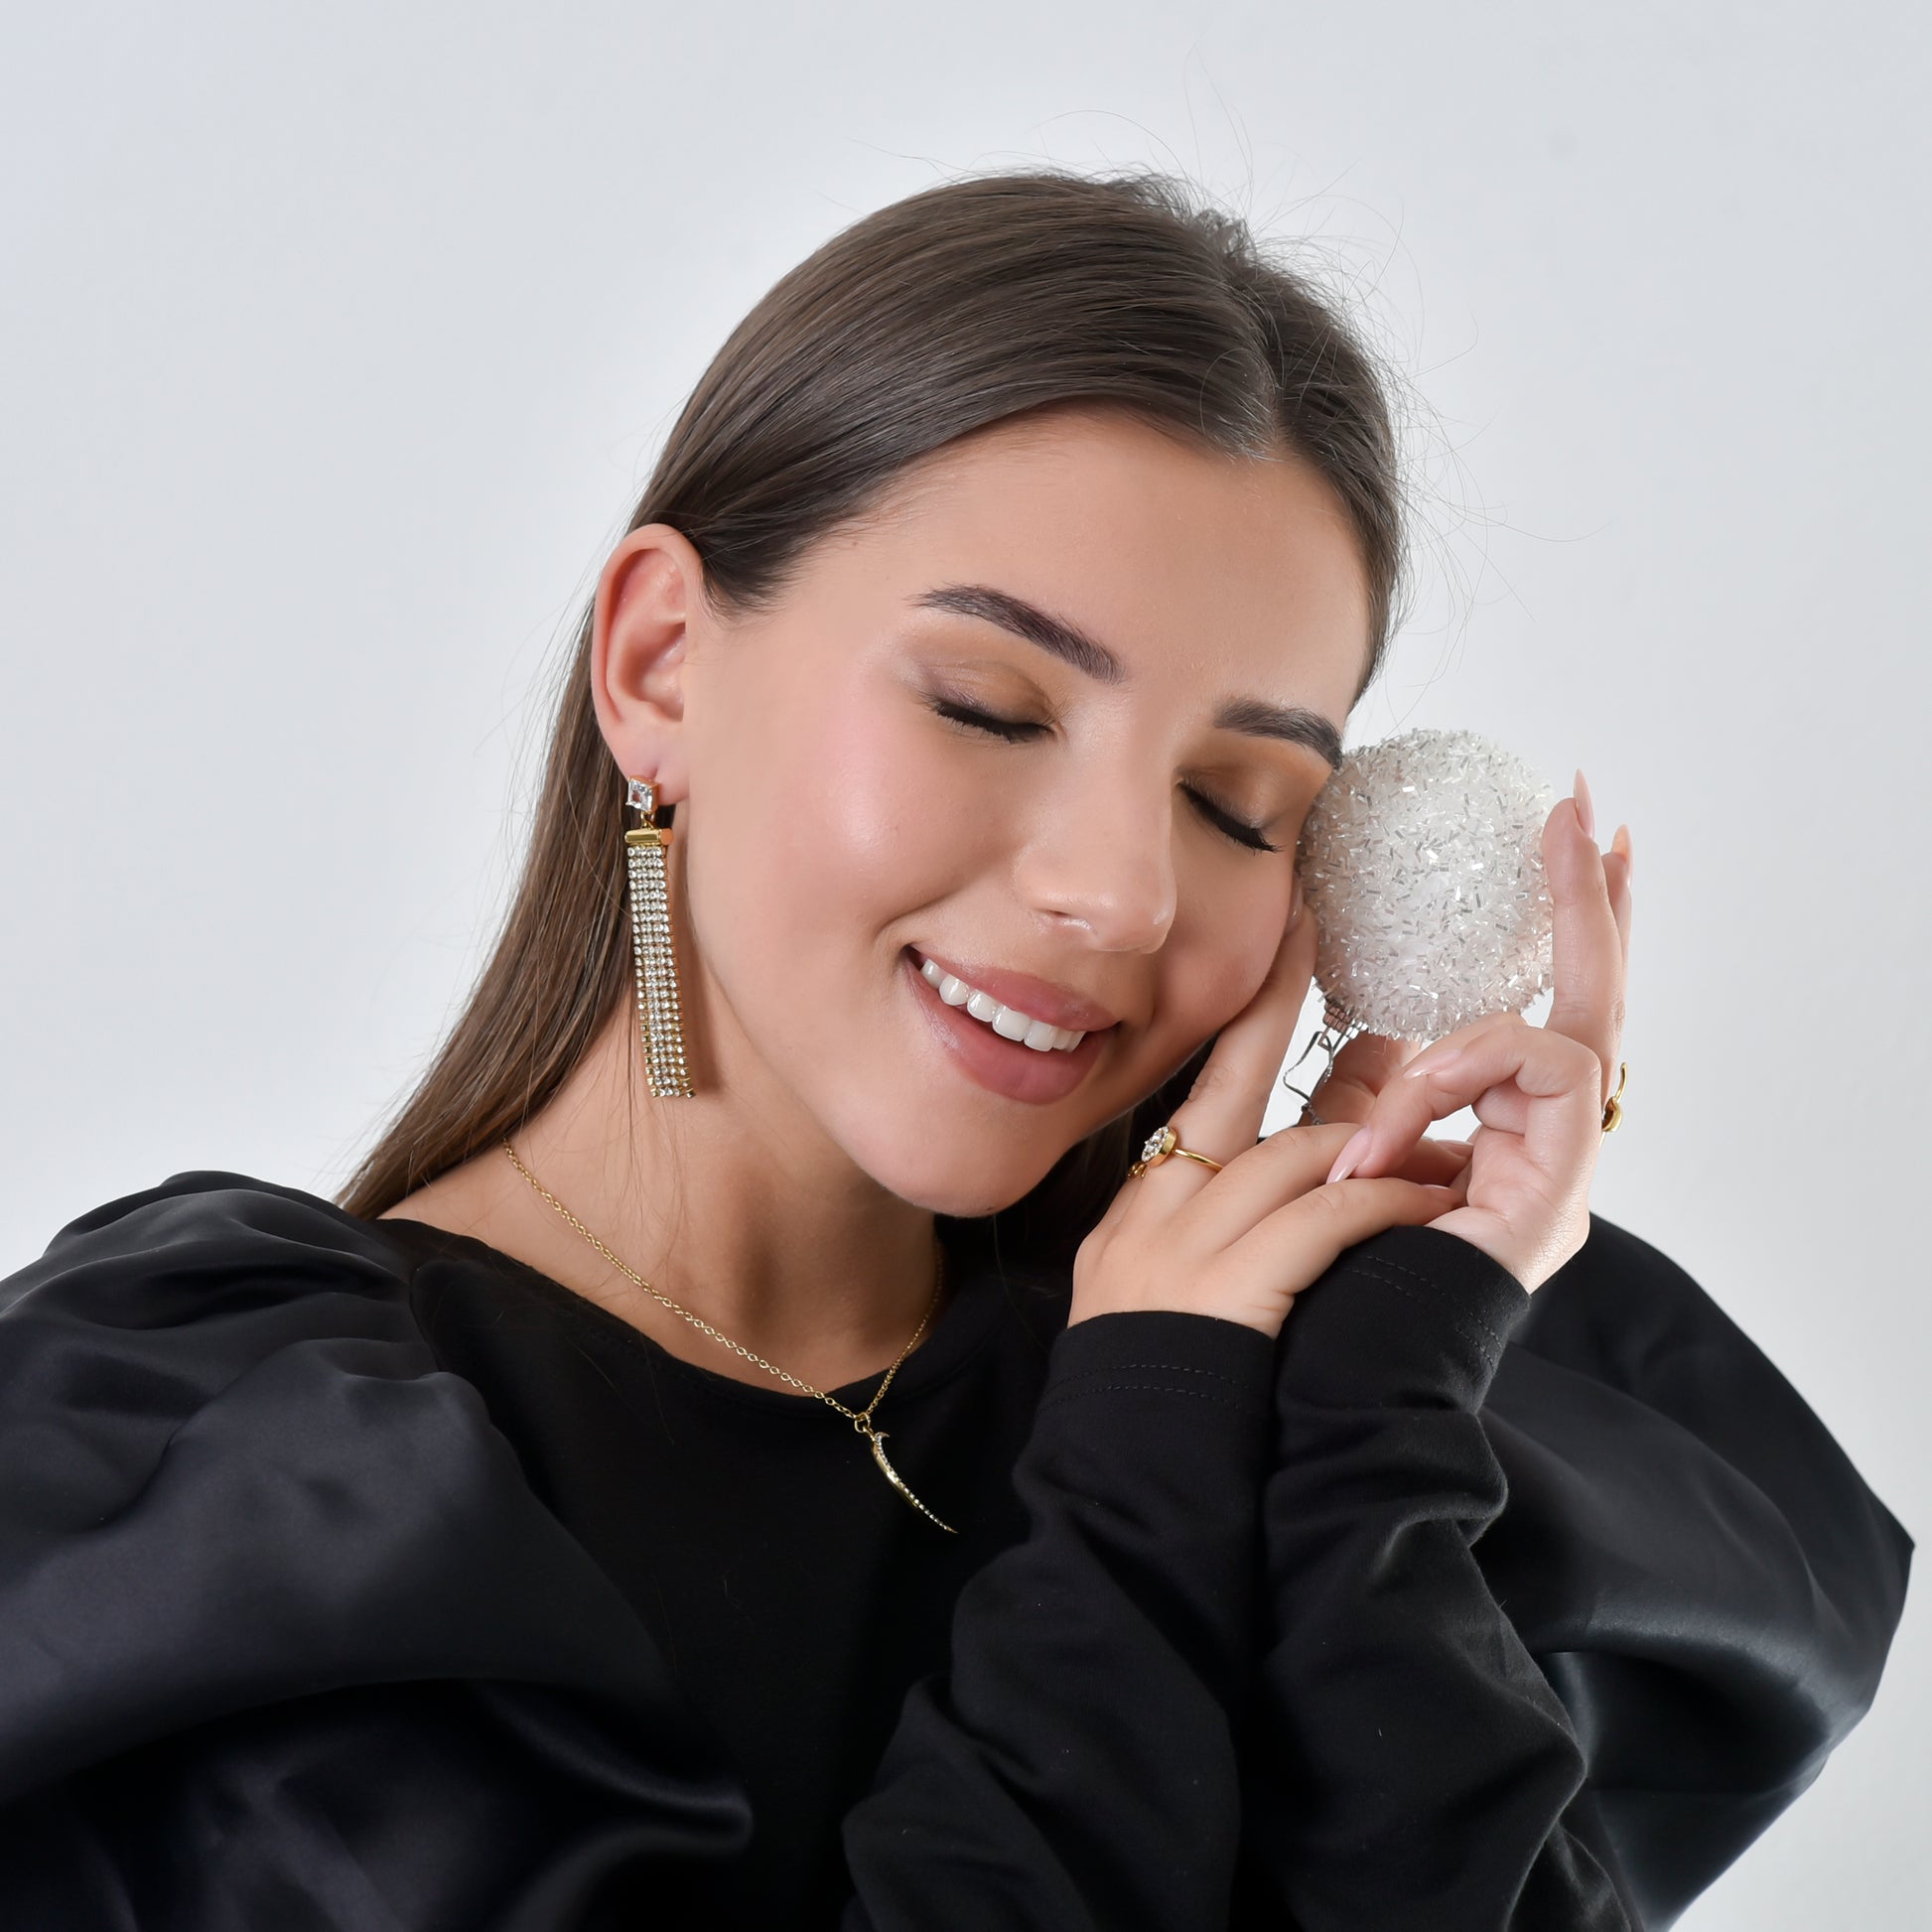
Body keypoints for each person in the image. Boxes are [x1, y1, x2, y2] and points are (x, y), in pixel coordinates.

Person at [0, 167, 1908, 1932]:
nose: (1121, 892)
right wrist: (1148, 1461)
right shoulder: (243, 1476)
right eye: (990, 705)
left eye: (1241, 805)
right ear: (663, 664)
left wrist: (1374, 1381)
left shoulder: (1292, 1417)